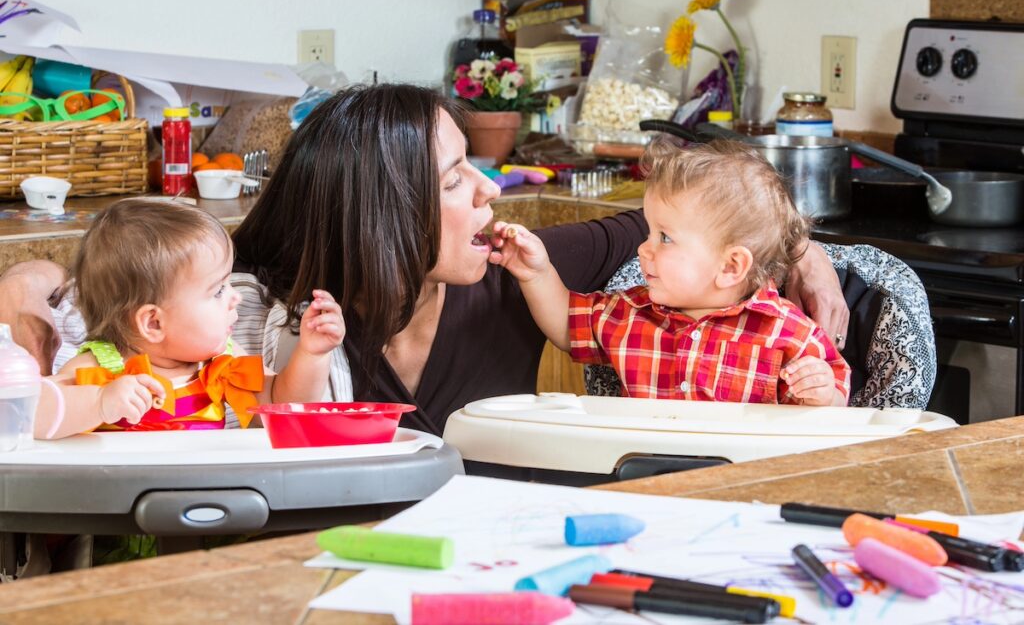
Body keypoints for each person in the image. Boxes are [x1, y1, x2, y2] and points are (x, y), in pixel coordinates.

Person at [0, 84, 850, 437]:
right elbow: (89, 296)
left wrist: (801, 249)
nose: (489, 192)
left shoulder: (520, 270)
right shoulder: (258, 303)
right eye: (454, 177)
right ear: (389, 214)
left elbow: (690, 221)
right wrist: (25, 285)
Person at [491, 139, 850, 406]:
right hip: (648, 484)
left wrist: (821, 393)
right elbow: (567, 326)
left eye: (665, 238)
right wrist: (535, 274)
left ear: (730, 267)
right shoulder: (631, 314)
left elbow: (837, 408)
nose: (643, 249)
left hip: (748, 487)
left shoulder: (790, 336)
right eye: (649, 232)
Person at [34, 198, 344, 439]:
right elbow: (31, 415)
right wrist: (99, 402)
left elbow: (281, 406)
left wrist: (312, 354)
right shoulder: (98, 369)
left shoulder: (222, 363)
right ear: (154, 323)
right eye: (218, 290)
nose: (235, 296)